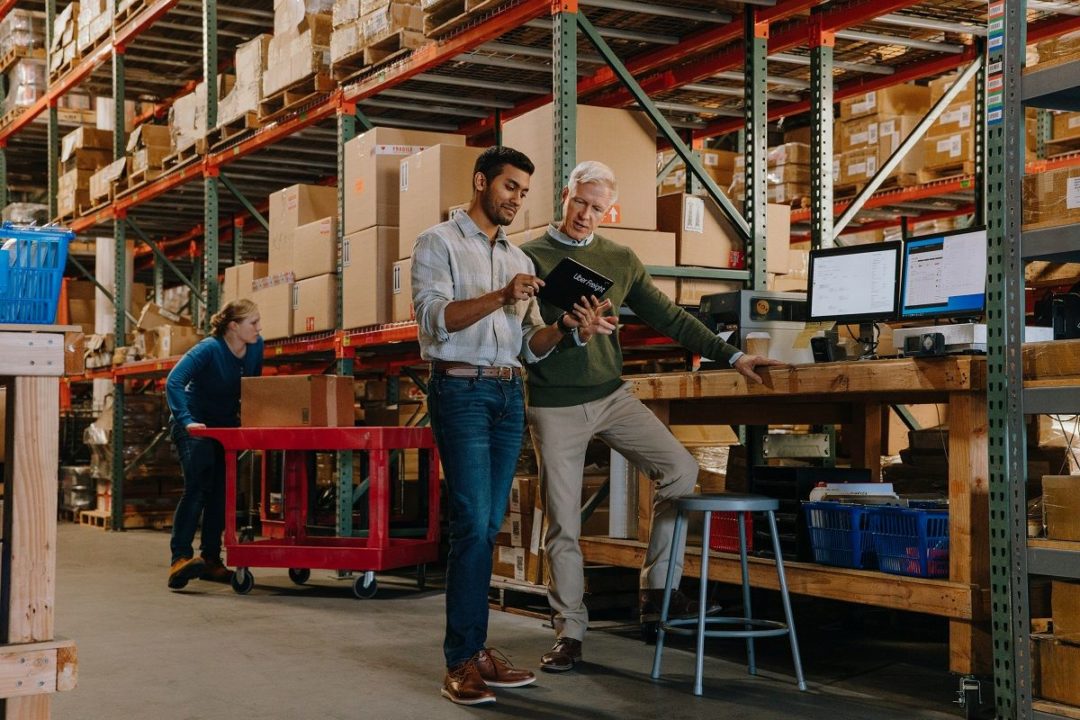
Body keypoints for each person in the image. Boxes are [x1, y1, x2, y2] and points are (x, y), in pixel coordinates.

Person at [521, 160, 785, 672]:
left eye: (598, 208)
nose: (586, 215)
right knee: (562, 523)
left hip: (611, 395)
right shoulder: (527, 257)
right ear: (565, 196)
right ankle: (570, 632)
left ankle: (658, 592)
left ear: (608, 210)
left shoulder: (619, 259)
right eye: (580, 202)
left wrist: (733, 356)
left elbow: (668, 316)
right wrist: (570, 328)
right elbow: (523, 341)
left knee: (681, 470)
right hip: (553, 403)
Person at [411, 146, 601, 705]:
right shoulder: (437, 243)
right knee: (471, 523)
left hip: (505, 393)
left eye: (523, 191)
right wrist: (500, 295)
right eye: (509, 187)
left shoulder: (518, 256)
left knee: (488, 524)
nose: (516, 198)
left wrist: (569, 328)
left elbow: (529, 345)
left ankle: (478, 652)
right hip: (461, 389)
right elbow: (433, 320)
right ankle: (461, 662)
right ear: (481, 182)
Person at [164, 299, 263, 590]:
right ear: (234, 326)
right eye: (253, 323)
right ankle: (179, 559)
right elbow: (174, 381)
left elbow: (253, 388)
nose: (259, 328)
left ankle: (210, 560)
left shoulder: (256, 347)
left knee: (222, 493)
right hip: (195, 426)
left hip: (225, 427)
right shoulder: (209, 348)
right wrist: (185, 419)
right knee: (198, 487)